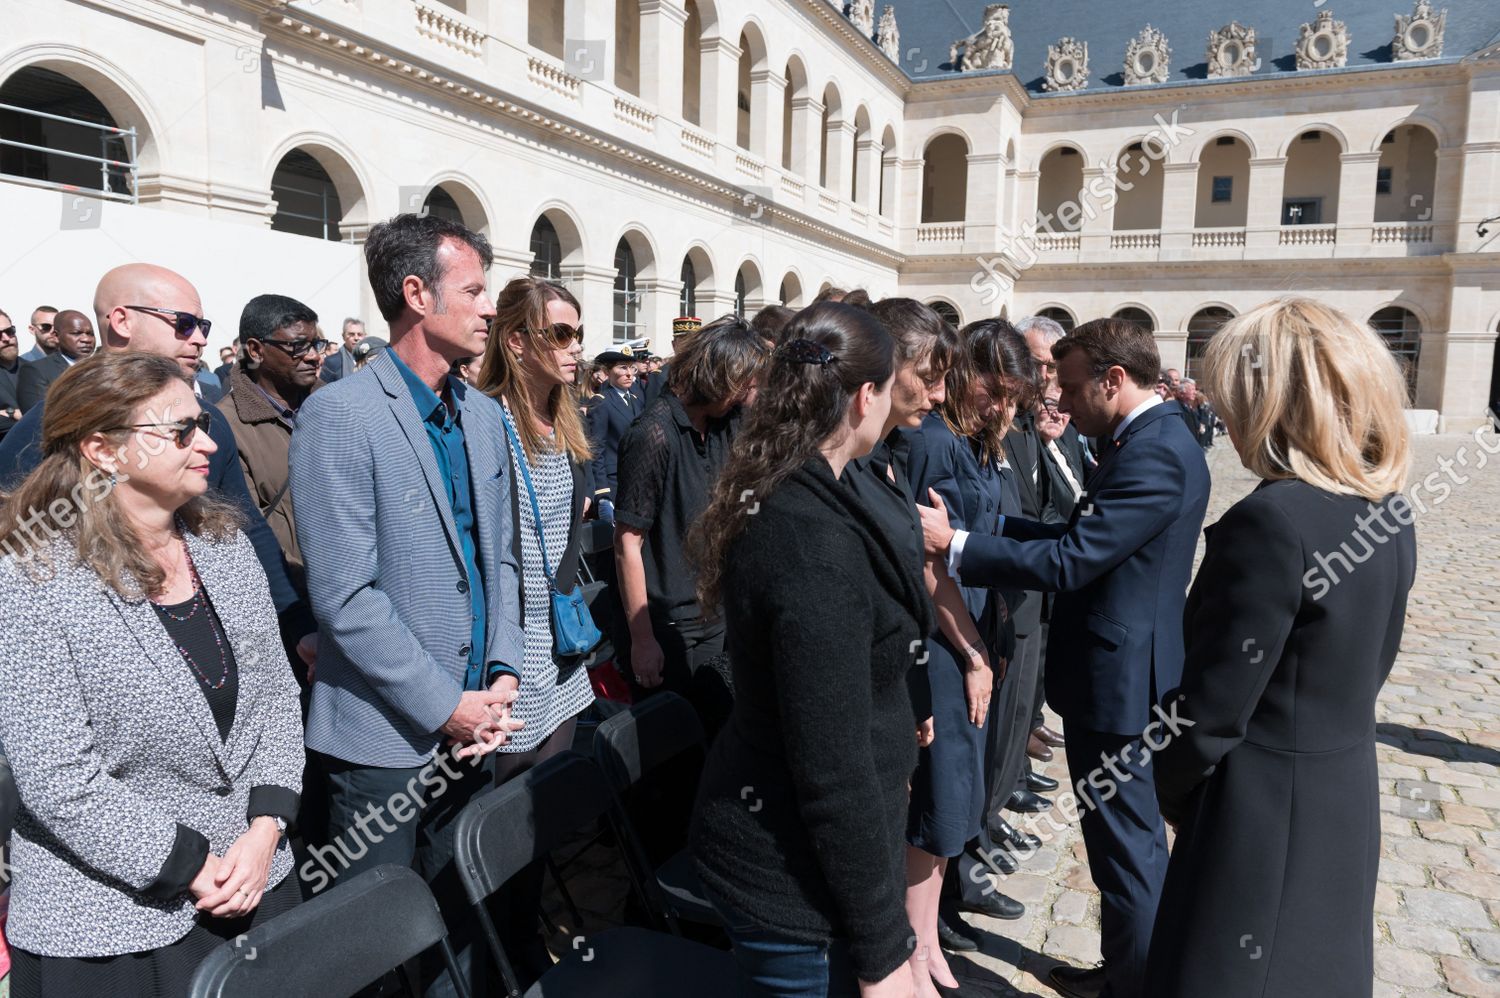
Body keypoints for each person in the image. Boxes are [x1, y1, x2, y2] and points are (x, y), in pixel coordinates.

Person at [918, 318, 1210, 998]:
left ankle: (1135, 985)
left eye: (1074, 388)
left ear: (1115, 379)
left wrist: (959, 545)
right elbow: (1084, 533)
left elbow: (1075, 560)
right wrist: (986, 528)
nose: (1063, 404)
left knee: (1127, 848)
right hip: (1121, 675)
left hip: (1121, 684)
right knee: (1118, 846)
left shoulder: (1154, 451)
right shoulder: (1152, 439)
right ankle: (1125, 972)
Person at [0, 352, 304, 998]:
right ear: (102, 450)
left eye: (205, 423)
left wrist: (265, 829)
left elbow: (278, 698)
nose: (211, 443)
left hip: (258, 882)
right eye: (183, 430)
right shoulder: (31, 579)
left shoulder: (224, 548)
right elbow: (59, 777)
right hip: (116, 930)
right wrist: (193, 866)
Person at [1146, 298, 1416, 998]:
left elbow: (1210, 711)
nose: (1224, 415)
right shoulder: (1385, 508)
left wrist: (1166, 784)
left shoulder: (1272, 523)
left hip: (1258, 817)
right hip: (1338, 798)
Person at [288, 213, 525, 998]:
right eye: (476, 290)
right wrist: (444, 705)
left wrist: (503, 675)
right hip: (384, 741)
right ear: (416, 294)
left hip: (477, 723)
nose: (491, 308)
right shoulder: (341, 414)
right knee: (376, 953)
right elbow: (344, 596)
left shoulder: (486, 416)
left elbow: (504, 561)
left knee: (462, 928)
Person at [689, 302, 932, 998]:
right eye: (890, 389)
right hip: (792, 880)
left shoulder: (830, 481)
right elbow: (831, 767)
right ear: (866, 396)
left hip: (832, 850)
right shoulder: (807, 544)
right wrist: (884, 953)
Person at [0, 265, 313, 661]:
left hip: (214, 648)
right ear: (121, 321)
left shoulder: (209, 421)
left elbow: (246, 527)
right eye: (183, 323)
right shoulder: (47, 429)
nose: (199, 338)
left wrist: (297, 625)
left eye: (203, 326)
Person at [473, 275, 596, 984]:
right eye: (560, 334)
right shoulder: (489, 421)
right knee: (507, 812)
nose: (575, 349)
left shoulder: (565, 419)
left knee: (544, 809)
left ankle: (526, 932)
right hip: (512, 643)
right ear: (516, 342)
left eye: (578, 333)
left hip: (560, 640)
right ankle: (502, 952)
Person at [613, 316, 766, 736]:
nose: (745, 396)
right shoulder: (653, 434)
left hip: (715, 618)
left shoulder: (723, 425)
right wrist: (643, 641)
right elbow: (627, 544)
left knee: (716, 748)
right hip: (668, 629)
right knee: (673, 764)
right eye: (741, 385)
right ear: (716, 376)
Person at [220, 294, 326, 619]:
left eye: (317, 345)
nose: (313, 357)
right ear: (255, 350)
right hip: (287, 610)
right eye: (298, 346)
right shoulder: (225, 426)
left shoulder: (338, 407)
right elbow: (244, 536)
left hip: (357, 600)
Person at [586, 349, 639, 516]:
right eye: (623, 368)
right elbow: (596, 449)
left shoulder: (636, 400)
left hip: (635, 480)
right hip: (614, 481)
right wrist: (602, 491)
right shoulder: (601, 402)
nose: (629, 374)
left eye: (632, 368)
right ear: (608, 372)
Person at [17, 309, 94, 412]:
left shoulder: (100, 367)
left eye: (90, 333)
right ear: (56, 336)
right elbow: (39, 418)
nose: (86, 339)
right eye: (76, 333)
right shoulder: (36, 372)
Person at [317, 318, 366, 383]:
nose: (356, 338)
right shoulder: (331, 362)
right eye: (351, 334)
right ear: (343, 336)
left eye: (359, 334)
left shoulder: (371, 360)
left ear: (365, 336)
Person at [0, 312, 24, 437]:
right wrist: (13, 413)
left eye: (9, 331)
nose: (6, 338)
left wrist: (8, 413)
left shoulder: (35, 368)